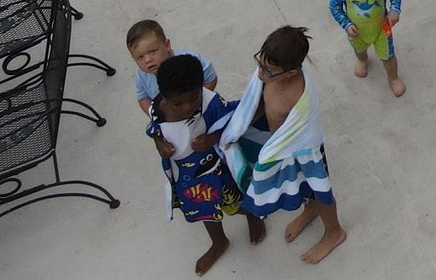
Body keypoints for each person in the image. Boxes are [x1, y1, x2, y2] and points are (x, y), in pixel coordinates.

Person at [218, 25, 346, 264]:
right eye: (260, 63)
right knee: (307, 192)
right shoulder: (271, 73)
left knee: (320, 190)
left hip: (302, 151)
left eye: (268, 70)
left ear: (291, 72)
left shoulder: (298, 98)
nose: (260, 74)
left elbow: (300, 132)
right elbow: (256, 101)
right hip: (282, 148)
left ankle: (334, 232)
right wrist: (238, 126)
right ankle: (310, 210)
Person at [147, 54, 265, 274]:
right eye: (178, 103)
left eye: (194, 98)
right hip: (187, 179)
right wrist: (158, 143)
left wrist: (211, 138)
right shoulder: (158, 108)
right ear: (164, 96)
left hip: (218, 172)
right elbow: (154, 129)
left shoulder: (210, 102)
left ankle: (252, 215)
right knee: (203, 211)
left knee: (234, 202)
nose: (187, 107)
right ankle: (219, 242)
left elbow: (233, 122)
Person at [328, 0, 405, 98]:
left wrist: (395, 10)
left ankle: (393, 77)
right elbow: (334, 7)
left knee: (389, 55)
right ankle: (363, 60)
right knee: (359, 50)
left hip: (383, 26)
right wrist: (346, 25)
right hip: (357, 30)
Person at [126, 19, 220, 118]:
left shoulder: (189, 62)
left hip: (203, 109)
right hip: (172, 118)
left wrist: (196, 100)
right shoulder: (141, 75)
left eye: (153, 51)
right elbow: (143, 98)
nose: (147, 60)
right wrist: (154, 114)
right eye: (140, 57)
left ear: (167, 45)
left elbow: (211, 78)